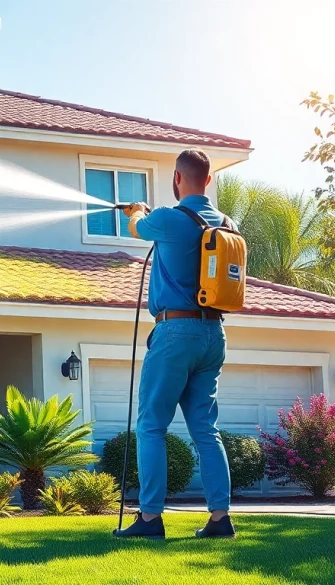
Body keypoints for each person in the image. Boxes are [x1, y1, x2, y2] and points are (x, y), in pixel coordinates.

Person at [112, 148, 236, 539]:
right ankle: (220, 519)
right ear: (209, 180)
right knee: (205, 428)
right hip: (213, 334)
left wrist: (137, 210)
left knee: (151, 425)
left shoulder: (167, 218)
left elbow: (136, 229)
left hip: (175, 332)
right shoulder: (228, 223)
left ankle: (150, 519)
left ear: (177, 179)